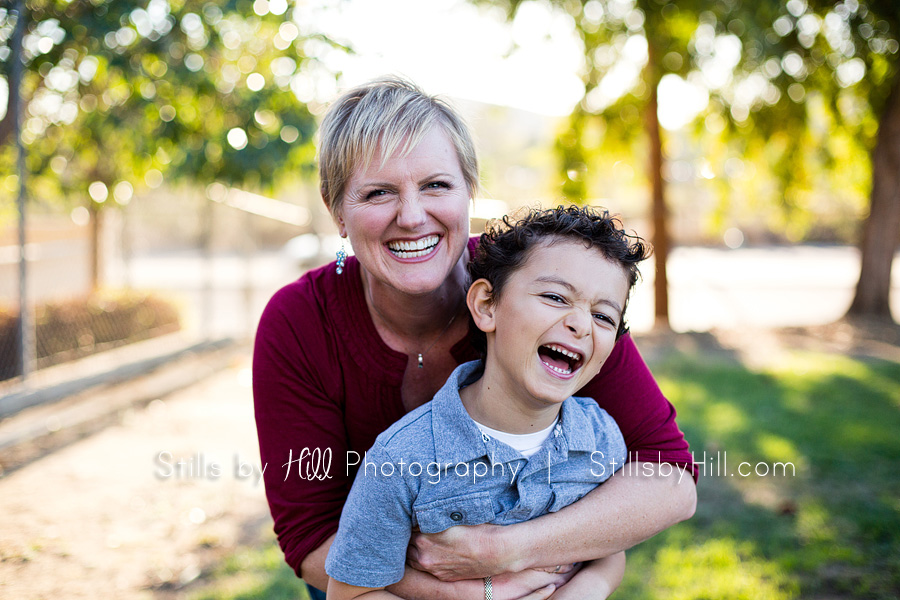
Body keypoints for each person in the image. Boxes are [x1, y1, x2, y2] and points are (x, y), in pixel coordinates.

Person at [253, 77, 697, 600]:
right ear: (337, 211)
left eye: (436, 185)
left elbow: (667, 474)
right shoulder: (299, 324)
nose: (413, 216)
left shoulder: (543, 290)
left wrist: (511, 553)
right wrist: (473, 595)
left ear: (469, 191)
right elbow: (310, 535)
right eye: (378, 192)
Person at [325, 206, 650, 600]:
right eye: (554, 296)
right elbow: (351, 592)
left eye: (603, 316)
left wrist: (586, 591)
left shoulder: (601, 439)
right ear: (485, 305)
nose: (581, 324)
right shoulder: (399, 460)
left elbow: (607, 549)